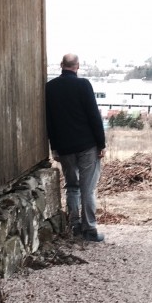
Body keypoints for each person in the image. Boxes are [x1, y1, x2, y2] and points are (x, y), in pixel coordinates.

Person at [45, 53, 106, 242]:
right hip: (86, 145)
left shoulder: (50, 88)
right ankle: (90, 230)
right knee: (87, 188)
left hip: (65, 147)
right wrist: (101, 143)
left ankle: (75, 226)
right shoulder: (83, 85)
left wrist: (54, 147)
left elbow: (50, 120)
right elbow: (93, 115)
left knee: (72, 186)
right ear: (77, 66)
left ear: (61, 65)